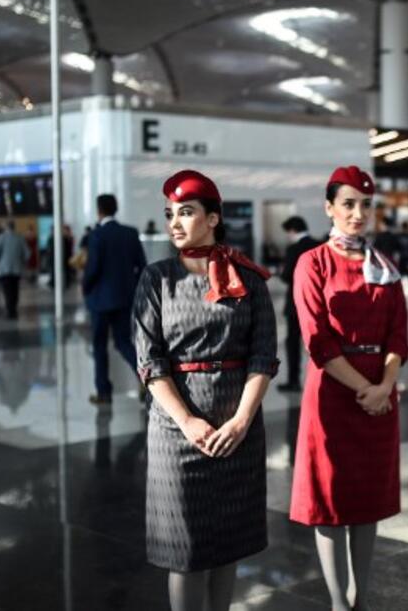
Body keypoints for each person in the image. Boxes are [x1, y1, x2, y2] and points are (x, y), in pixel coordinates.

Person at [132, 170, 277, 611]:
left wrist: (241, 419)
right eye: (170, 214)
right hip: (178, 433)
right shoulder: (156, 279)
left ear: (214, 218)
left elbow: (263, 356)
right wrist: (188, 421)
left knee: (227, 542)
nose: (175, 222)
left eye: (187, 212)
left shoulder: (248, 281)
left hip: (238, 428)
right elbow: (149, 362)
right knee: (187, 551)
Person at [290, 165, 408, 611]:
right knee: (331, 499)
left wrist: (386, 385)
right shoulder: (312, 263)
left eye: (365, 205)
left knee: (367, 500)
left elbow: (400, 335)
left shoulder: (385, 267)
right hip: (334, 395)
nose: (357, 213)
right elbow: (317, 338)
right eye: (348, 204)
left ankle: (363, 597)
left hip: (379, 394)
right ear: (329, 208)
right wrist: (368, 388)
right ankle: (339, 603)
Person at [82, 194, 147, 405]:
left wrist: (86, 288)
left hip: (100, 301)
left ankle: (104, 392)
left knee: (99, 345)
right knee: (124, 342)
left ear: (99, 210)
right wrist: (132, 287)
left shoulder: (97, 235)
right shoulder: (130, 233)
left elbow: (93, 269)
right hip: (124, 298)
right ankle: (146, 379)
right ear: (116, 209)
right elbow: (142, 265)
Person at [279, 216, 322, 392]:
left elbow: (286, 275)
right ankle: (322, 378)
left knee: (293, 343)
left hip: (296, 303)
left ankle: (293, 380)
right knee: (319, 340)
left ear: (292, 230)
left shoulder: (294, 248)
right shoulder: (319, 245)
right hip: (318, 302)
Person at [0, 221, 29, 320]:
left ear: (5, 227)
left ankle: (10, 310)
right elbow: (27, 254)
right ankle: (14, 309)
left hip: (4, 269)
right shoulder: (20, 238)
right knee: (15, 289)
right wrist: (22, 262)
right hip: (16, 269)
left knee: (7, 290)